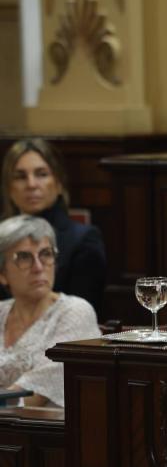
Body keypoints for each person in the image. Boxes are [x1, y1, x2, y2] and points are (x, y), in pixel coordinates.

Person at [0, 215, 101, 407]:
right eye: (24, 257)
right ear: (2, 274)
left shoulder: (76, 312)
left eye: (46, 254)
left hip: (46, 424)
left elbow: (34, 394)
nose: (38, 267)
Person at [1, 139, 106, 315]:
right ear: (9, 188)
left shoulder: (83, 239)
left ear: (58, 183)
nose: (31, 184)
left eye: (41, 174)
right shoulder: (2, 238)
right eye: (20, 176)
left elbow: (82, 312)